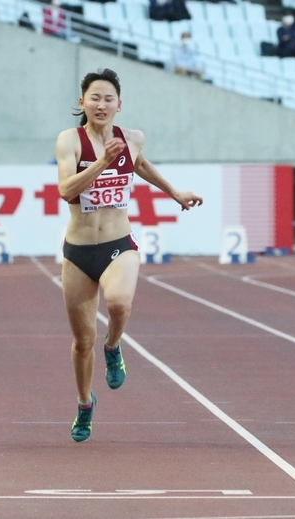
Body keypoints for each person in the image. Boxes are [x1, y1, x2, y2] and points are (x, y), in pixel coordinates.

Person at [54, 68, 203, 442]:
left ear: (120, 105)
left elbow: (139, 164)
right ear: (82, 102)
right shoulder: (69, 141)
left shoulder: (132, 138)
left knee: (119, 303)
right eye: (94, 97)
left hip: (119, 243)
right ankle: (85, 403)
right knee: (80, 342)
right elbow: (65, 188)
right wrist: (102, 163)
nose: (101, 104)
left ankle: (114, 345)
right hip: (77, 252)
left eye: (108, 98)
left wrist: (174, 192)